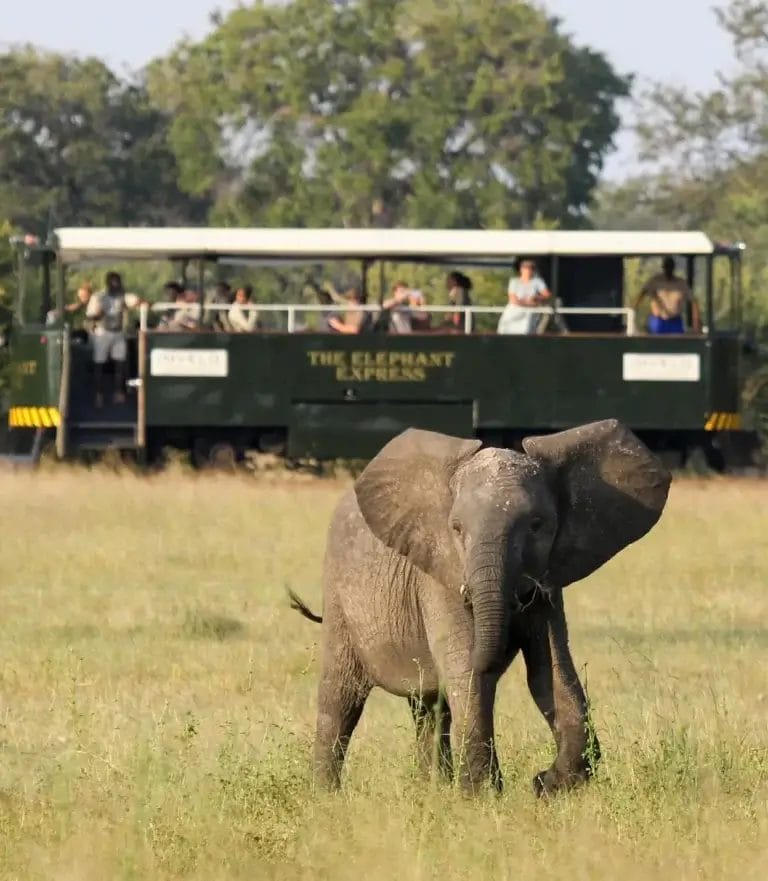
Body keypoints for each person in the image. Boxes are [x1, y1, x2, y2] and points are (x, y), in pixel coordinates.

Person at [85, 271, 141, 406]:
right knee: (99, 363)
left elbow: (138, 301)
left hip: (119, 333)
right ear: (108, 282)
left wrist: (135, 305)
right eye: (113, 281)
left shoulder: (124, 296)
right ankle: (98, 394)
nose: (116, 284)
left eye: (118, 281)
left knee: (120, 363)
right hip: (102, 332)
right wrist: (100, 313)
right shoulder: (99, 297)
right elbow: (90, 316)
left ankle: (118, 392)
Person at [635, 257, 701, 334]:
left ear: (673, 267)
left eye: (670, 266)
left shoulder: (681, 283)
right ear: (663, 267)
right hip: (658, 321)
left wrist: (696, 321)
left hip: (675, 322)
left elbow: (693, 301)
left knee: (678, 342)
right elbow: (642, 294)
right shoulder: (655, 281)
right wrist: (632, 312)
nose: (668, 269)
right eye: (667, 266)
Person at [497, 259, 551, 335]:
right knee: (505, 329)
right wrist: (527, 303)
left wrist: (537, 297)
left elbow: (547, 295)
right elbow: (513, 299)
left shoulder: (538, 281)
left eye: (530, 268)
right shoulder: (514, 281)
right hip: (514, 311)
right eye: (525, 268)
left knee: (527, 331)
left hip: (530, 313)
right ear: (521, 269)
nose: (527, 270)